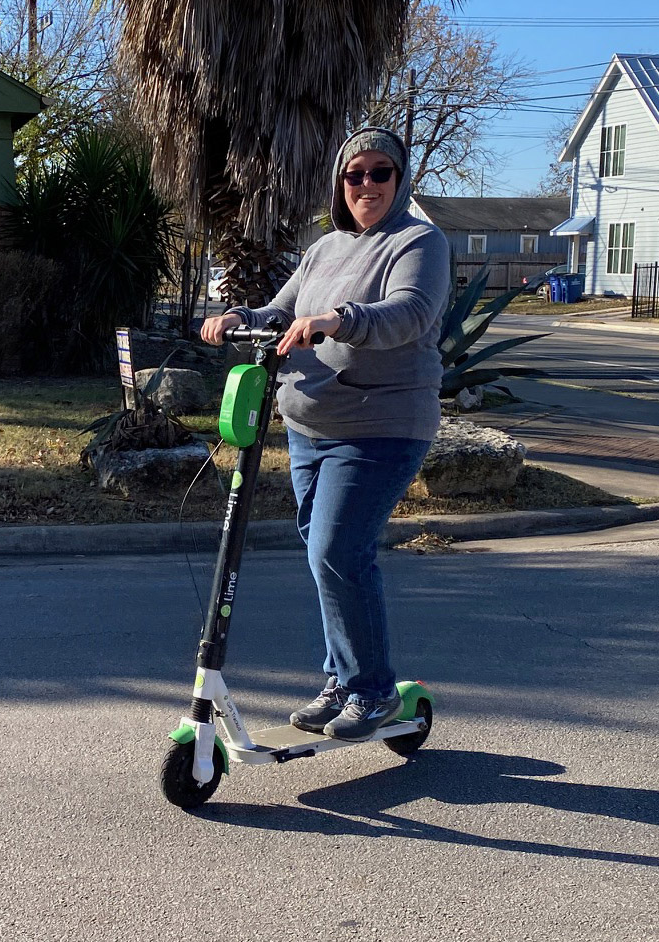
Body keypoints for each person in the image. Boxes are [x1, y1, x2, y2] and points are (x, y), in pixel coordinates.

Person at [202, 127, 450, 742]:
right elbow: (281, 311)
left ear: (400, 179)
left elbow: (413, 314)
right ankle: (343, 679)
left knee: (337, 552)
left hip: (381, 426)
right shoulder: (324, 249)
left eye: (380, 172)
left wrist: (339, 321)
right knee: (328, 558)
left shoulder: (420, 241)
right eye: (354, 174)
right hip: (310, 427)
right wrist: (239, 318)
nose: (366, 184)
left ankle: (372, 690)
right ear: (341, 184)